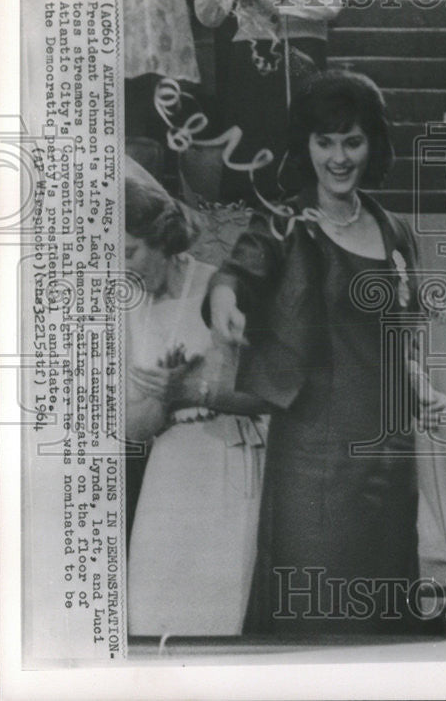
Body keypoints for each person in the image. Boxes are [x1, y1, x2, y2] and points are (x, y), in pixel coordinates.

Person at [205, 70, 446, 635]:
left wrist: (420, 384)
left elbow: (398, 341)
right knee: (314, 622)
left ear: (374, 144)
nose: (339, 157)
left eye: (353, 140)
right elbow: (237, 271)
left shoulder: (395, 232)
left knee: (383, 627)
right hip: (313, 463)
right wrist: (223, 301)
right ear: (306, 145)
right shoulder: (285, 222)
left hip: (389, 464)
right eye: (324, 141)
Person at [124, 173, 268, 636]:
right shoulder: (128, 313)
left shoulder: (218, 290)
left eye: (130, 253)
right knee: (150, 608)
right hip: (168, 473)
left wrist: (196, 383)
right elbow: (133, 428)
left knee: (218, 614)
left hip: (224, 463)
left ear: (161, 240)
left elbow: (264, 395)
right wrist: (162, 399)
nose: (121, 269)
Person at [194, 0, 341, 203]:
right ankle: (247, 213)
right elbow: (209, 16)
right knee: (248, 135)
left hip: (302, 48)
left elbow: (330, 5)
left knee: (300, 130)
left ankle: (301, 212)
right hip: (250, 50)